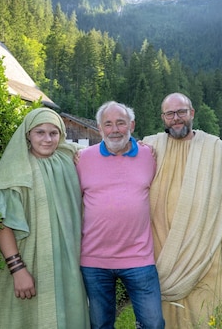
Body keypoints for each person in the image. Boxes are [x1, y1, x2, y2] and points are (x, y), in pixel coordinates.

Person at [0, 108, 90, 328]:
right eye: (40, 132)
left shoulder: (69, 158)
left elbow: (110, 152)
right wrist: (18, 270)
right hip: (29, 263)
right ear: (27, 134)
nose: (47, 139)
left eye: (53, 133)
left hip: (68, 266)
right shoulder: (15, 167)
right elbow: (1, 224)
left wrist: (143, 147)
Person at [142, 93, 222, 328]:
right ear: (163, 117)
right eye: (170, 114)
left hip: (206, 243)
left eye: (181, 112)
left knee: (212, 305)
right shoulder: (150, 146)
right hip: (163, 244)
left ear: (192, 113)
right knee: (168, 314)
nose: (176, 118)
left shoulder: (215, 148)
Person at [76, 101, 164, 329]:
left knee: (153, 323)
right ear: (99, 128)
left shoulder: (149, 156)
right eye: (108, 124)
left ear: (132, 125)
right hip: (94, 259)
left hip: (139, 257)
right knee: (100, 324)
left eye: (121, 123)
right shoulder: (82, 158)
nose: (115, 129)